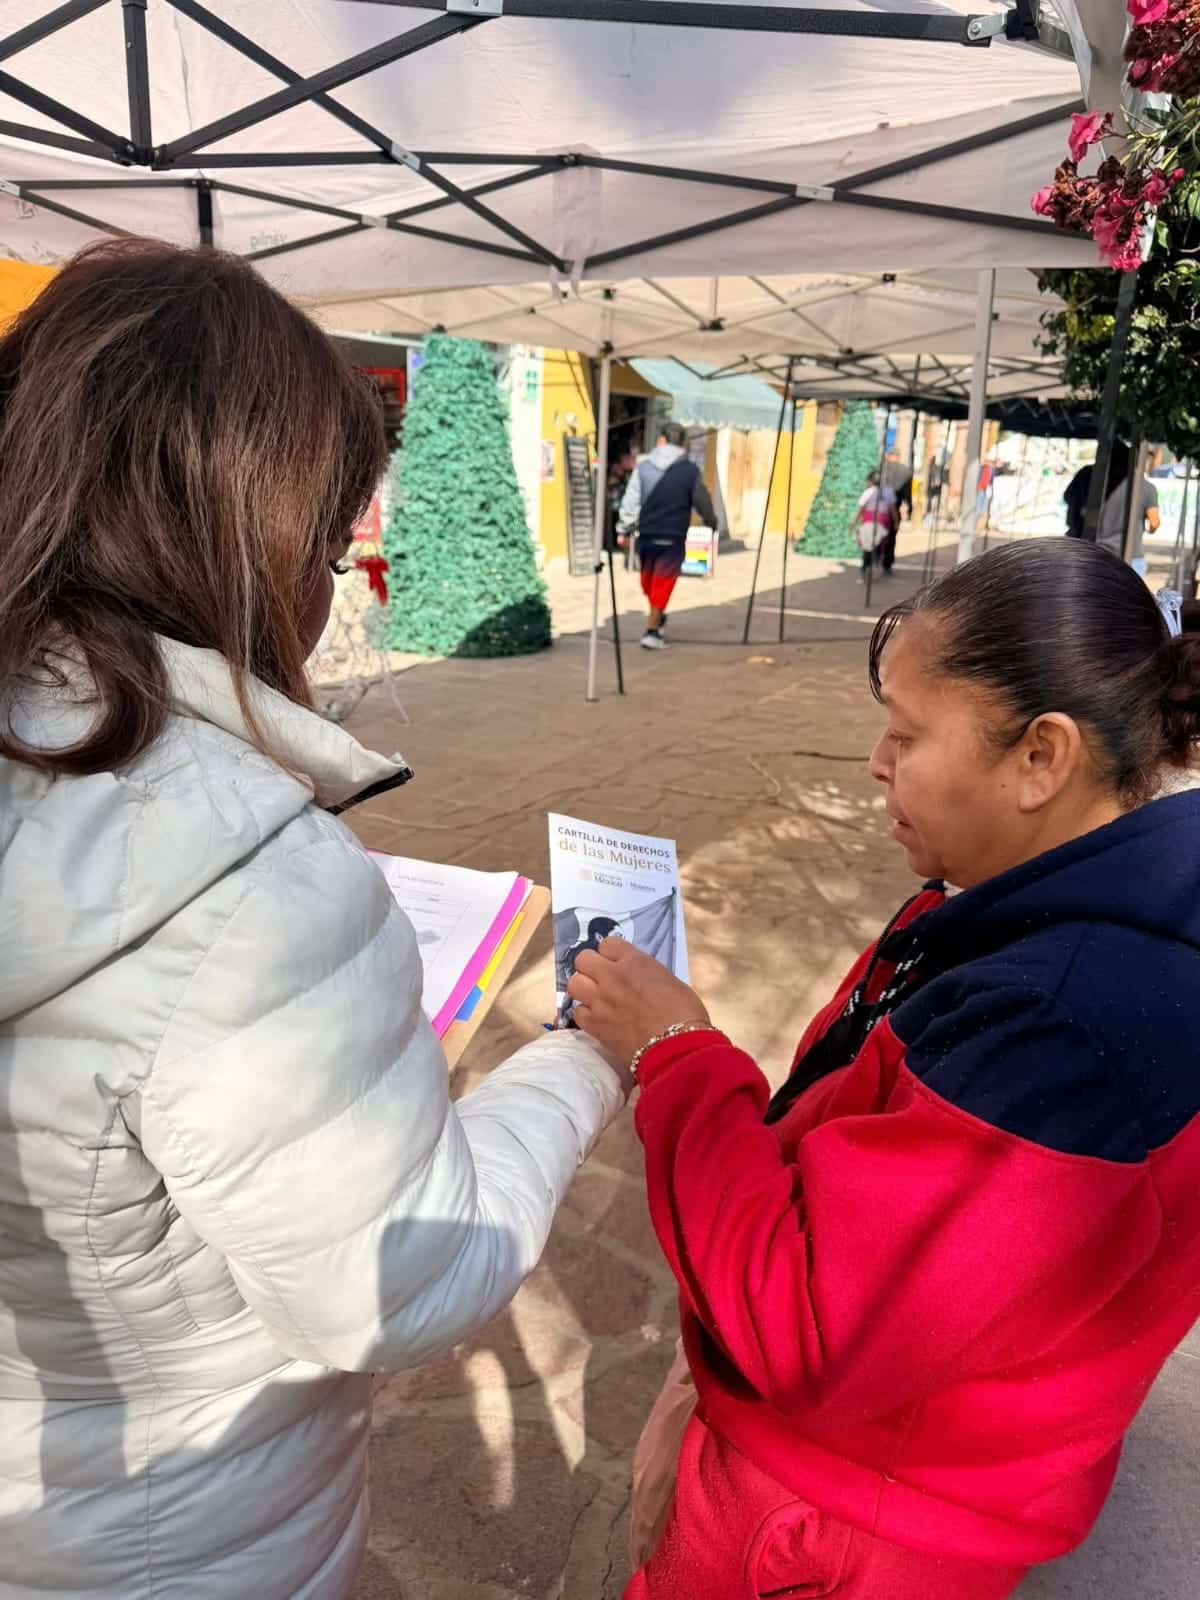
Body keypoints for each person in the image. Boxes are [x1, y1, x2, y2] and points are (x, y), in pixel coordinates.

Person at [0, 240, 630, 1599]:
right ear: (250, 530)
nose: (337, 583)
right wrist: (586, 1054)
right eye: (336, 537)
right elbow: (402, 1281)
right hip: (172, 1539)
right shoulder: (252, 894)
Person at [569, 538, 1200, 1600]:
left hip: (836, 1520)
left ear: (1040, 758)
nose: (875, 761)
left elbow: (809, 1326)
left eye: (908, 734)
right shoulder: (1013, 904)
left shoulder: (1061, 1025)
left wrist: (675, 1056)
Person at [617, 420, 719, 650]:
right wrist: (711, 522)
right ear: (683, 443)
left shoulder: (643, 468)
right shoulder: (690, 471)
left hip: (648, 535)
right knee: (658, 583)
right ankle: (656, 622)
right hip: (673, 535)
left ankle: (652, 630)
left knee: (651, 582)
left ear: (660, 440)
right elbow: (702, 499)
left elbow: (631, 500)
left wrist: (623, 528)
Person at [1063, 439, 1161, 555]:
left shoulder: (1087, 474)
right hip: (1127, 553)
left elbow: (1067, 496)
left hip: (1084, 545)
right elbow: (1154, 522)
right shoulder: (1143, 486)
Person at [853, 470, 896, 580]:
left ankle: (865, 569)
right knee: (877, 546)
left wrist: (854, 523)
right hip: (882, 523)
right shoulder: (889, 492)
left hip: (869, 523)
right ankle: (874, 565)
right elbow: (893, 510)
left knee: (867, 548)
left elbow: (861, 509)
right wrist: (896, 522)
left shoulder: (869, 492)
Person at [880, 450, 913, 574]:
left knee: (880, 534)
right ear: (898, 457)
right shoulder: (905, 471)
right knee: (891, 536)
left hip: (880, 509)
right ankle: (887, 562)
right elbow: (907, 494)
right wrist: (909, 508)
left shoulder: (881, 468)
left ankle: (878, 558)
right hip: (894, 509)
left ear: (889, 456)